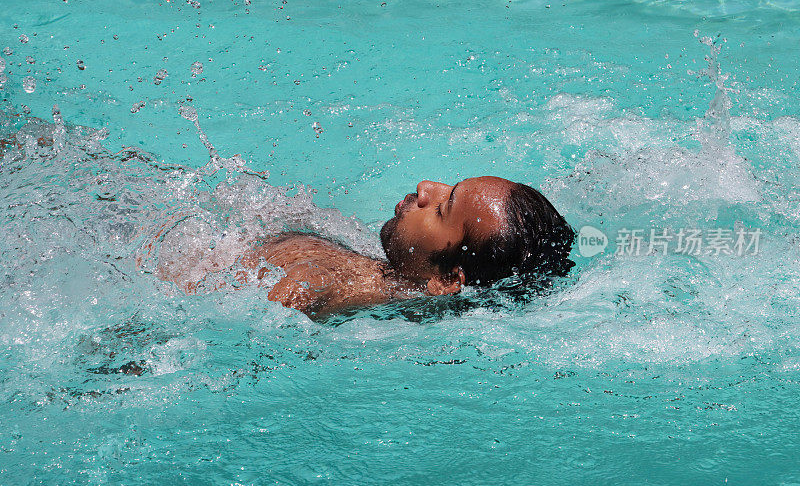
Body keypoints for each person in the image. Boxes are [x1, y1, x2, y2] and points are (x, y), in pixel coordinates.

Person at [160, 176, 575, 319]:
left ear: (447, 279)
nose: (426, 188)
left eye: (444, 208)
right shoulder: (385, 276)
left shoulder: (318, 284)